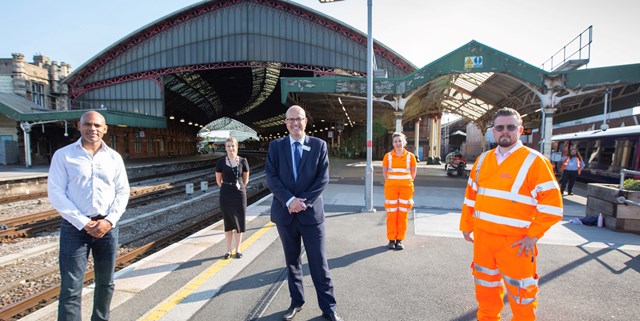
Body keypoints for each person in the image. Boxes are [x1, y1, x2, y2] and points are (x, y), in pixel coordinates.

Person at [459, 107, 563, 321]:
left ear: (520, 130)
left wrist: (533, 235)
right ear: (493, 131)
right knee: (485, 294)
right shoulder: (483, 160)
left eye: (510, 127)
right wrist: (466, 225)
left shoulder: (535, 161)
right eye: (500, 128)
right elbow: (471, 196)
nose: (505, 131)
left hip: (516, 243)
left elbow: (552, 206)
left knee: (522, 298)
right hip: (484, 241)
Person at [48, 110, 130, 321]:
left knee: (106, 282)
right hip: (74, 228)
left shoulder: (114, 158)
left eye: (96, 125)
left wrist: (109, 221)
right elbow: (56, 192)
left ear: (104, 129)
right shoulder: (64, 155)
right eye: (88, 124)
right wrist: (84, 222)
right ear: (79, 126)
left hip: (107, 228)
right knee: (71, 287)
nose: (92, 129)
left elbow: (123, 191)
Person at [265, 105, 342, 321]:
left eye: (298, 119)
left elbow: (322, 179)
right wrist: (289, 200)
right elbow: (271, 177)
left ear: (305, 121)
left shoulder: (319, 145)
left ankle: (329, 307)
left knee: (319, 263)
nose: (294, 123)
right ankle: (296, 302)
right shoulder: (276, 146)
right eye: (290, 120)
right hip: (285, 214)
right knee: (292, 262)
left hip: (311, 215)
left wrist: (303, 202)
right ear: (285, 123)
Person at [215, 137, 250, 259]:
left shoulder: (243, 161)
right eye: (228, 146)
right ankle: (229, 250)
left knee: (239, 222)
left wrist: (238, 187)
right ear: (225, 148)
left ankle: (238, 249)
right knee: (228, 223)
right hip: (226, 194)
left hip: (239, 194)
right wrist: (227, 187)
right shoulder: (220, 162)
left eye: (233, 146)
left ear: (237, 146)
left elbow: (245, 180)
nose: (231, 148)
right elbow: (218, 181)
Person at [382, 132, 417, 250]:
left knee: (403, 214)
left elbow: (413, 172)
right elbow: (385, 172)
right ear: (392, 143)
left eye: (400, 141)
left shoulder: (410, 156)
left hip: (406, 188)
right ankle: (391, 240)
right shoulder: (388, 156)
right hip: (391, 188)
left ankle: (400, 240)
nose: (398, 143)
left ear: (404, 142)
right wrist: (391, 182)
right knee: (391, 213)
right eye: (395, 141)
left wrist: (407, 182)